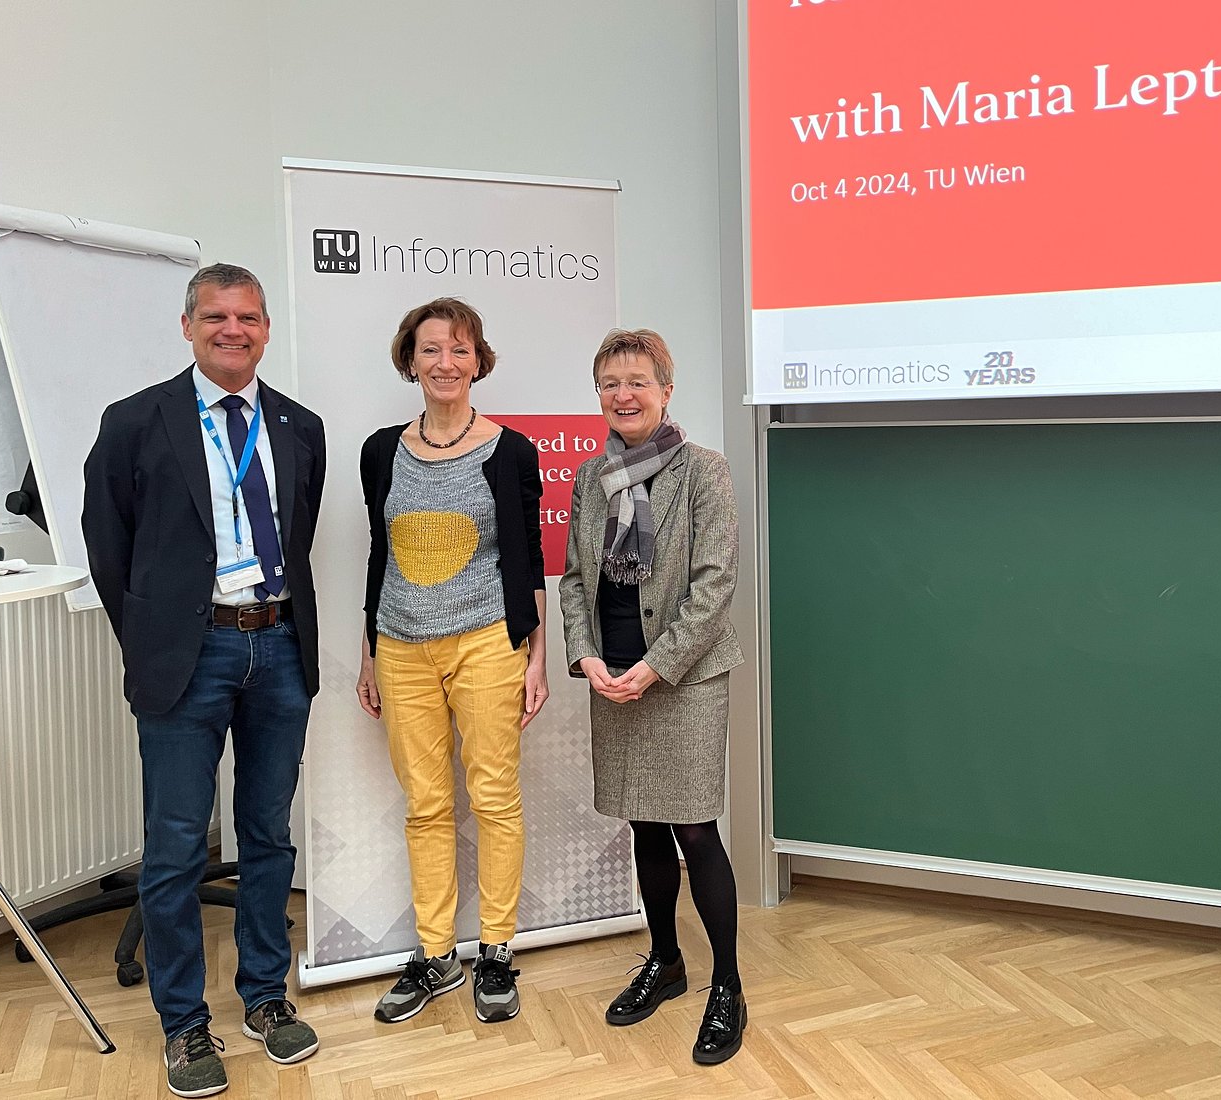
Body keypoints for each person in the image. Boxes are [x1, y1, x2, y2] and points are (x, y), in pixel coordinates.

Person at [82, 264, 325, 1098]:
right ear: (187, 325)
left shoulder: (299, 425)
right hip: (189, 657)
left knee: (267, 836)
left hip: (280, 652)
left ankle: (265, 997)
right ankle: (185, 1025)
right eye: (216, 316)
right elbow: (108, 548)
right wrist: (154, 638)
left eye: (249, 317)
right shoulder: (134, 421)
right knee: (178, 846)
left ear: (266, 328)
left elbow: (300, 530)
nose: (234, 329)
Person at [355, 297, 548, 1026]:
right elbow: (382, 551)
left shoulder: (513, 450)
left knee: (494, 798)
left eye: (460, 349)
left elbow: (528, 556)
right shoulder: (380, 450)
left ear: (479, 361)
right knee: (427, 805)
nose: (445, 362)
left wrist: (536, 654)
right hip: (401, 646)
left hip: (487, 641)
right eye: (431, 349)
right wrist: (370, 648)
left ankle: (495, 950)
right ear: (410, 359)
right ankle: (437, 956)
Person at [560, 329, 747, 1065]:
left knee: (694, 828)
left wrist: (657, 666)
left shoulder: (704, 471)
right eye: (609, 382)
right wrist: (584, 653)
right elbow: (577, 580)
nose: (623, 395)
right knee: (643, 823)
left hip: (684, 677)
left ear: (666, 389)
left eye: (638, 380)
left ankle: (726, 984)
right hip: (613, 673)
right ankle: (666, 961)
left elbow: (714, 585)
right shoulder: (588, 477)